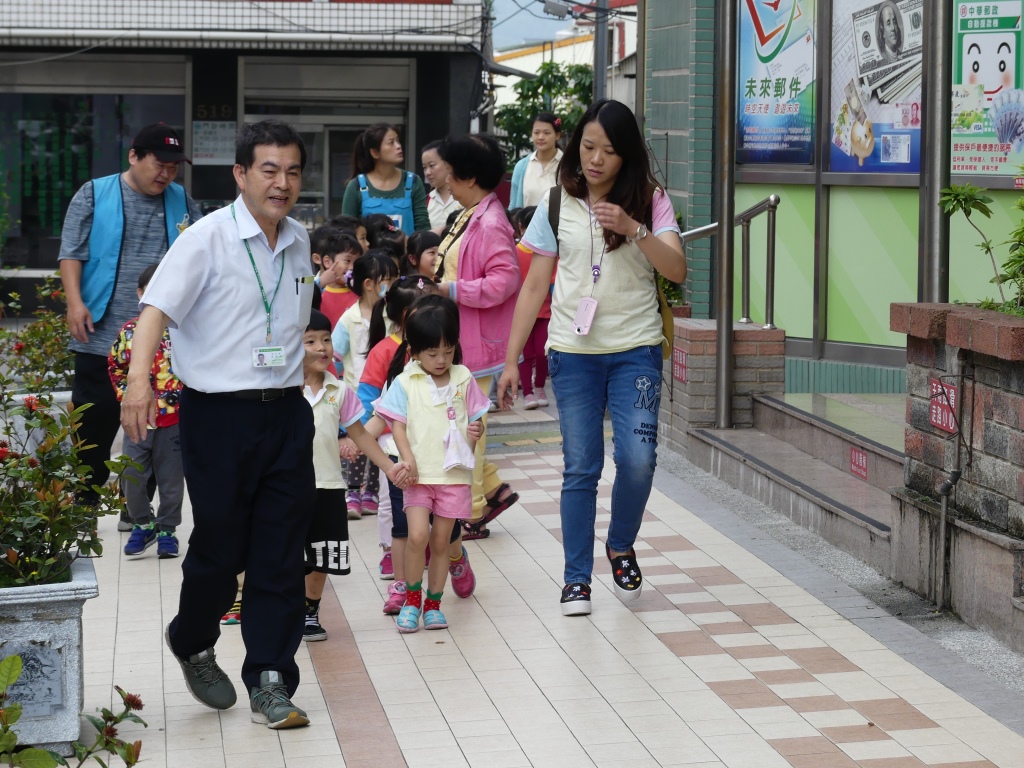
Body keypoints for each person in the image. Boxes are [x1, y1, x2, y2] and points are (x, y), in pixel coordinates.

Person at [120, 120, 318, 729]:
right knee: (220, 545)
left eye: (291, 171)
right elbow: (156, 309)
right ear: (240, 175)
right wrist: (138, 382)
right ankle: (192, 639)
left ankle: (270, 679)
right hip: (218, 416)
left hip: (285, 413)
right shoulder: (205, 238)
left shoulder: (302, 240)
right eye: (268, 170)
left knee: (282, 552)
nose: (281, 183)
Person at [496, 99, 686, 617]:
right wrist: (512, 361)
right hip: (573, 355)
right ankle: (576, 578)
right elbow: (535, 283)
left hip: (636, 352)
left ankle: (620, 544)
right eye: (588, 147)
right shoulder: (557, 203)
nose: (596, 159)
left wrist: (634, 227)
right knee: (581, 467)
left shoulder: (651, 201)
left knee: (639, 460)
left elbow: (678, 269)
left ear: (627, 156)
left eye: (608, 150)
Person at [58, 123, 200, 526]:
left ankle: (136, 506)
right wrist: (74, 303)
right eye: (160, 164)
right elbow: (71, 253)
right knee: (95, 415)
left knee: (156, 421)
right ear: (134, 156)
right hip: (100, 327)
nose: (167, 174)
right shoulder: (95, 193)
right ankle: (86, 499)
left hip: (158, 336)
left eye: (174, 167)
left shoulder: (182, 201)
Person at [376, 296, 490, 633]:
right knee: (417, 536)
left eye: (448, 351)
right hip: (418, 476)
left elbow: (477, 421)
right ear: (413, 349)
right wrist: (406, 458)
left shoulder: (464, 378)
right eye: (432, 353)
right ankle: (412, 599)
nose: (441, 360)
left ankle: (434, 604)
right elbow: (396, 424)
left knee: (442, 542)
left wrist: (476, 430)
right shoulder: (405, 382)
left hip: (453, 476)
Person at [300, 310, 410, 642]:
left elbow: (361, 434)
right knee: (286, 554)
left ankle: (309, 612)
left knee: (322, 556)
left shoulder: (339, 390)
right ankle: (282, 609)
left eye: (326, 339)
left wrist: (390, 468)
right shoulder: (281, 390)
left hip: (330, 486)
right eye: (311, 341)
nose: (322, 348)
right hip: (287, 488)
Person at [435, 133, 521, 540]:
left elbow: (504, 281)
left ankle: (468, 514)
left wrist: (450, 290)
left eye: (450, 174)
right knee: (462, 425)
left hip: (479, 348)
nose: (444, 181)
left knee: (470, 431)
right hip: (465, 341)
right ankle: (493, 492)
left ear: (468, 177)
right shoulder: (472, 212)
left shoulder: (489, 222)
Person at [108, 263, 185, 559]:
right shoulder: (129, 331)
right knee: (132, 475)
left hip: (174, 420)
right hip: (138, 421)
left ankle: (167, 530)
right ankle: (141, 523)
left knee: (171, 481)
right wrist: (126, 396)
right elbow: (116, 367)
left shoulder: (182, 331)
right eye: (152, 290)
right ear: (140, 294)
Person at [332, 252, 399, 519]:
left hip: (384, 393)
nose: (392, 286)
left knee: (378, 442)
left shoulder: (390, 315)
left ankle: (371, 491)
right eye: (388, 280)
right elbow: (335, 357)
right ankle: (352, 492)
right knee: (356, 440)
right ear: (369, 284)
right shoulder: (350, 319)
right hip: (355, 395)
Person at [341, 124, 429, 235]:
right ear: (374, 152)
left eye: (398, 141)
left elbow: (423, 228)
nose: (398, 146)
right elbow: (346, 231)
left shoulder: (413, 182)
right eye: (391, 142)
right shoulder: (356, 186)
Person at [512, 207, 550, 410]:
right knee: (525, 354)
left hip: (546, 312)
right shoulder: (515, 252)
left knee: (543, 352)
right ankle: (527, 392)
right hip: (523, 311)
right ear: (521, 228)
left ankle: (540, 386)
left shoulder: (550, 252)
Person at [510, 113, 564, 209]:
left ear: (557, 135)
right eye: (536, 132)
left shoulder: (567, 165)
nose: (540, 137)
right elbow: (513, 206)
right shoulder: (521, 166)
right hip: (526, 224)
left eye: (546, 133)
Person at [311, 227, 362, 327]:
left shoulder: (361, 294)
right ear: (327, 262)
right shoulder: (317, 295)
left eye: (356, 262)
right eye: (347, 261)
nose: (352, 267)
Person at [422, 140, 460, 232]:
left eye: (432, 165)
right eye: (424, 167)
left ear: (448, 163)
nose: (427, 172)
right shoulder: (426, 202)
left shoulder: (464, 198)